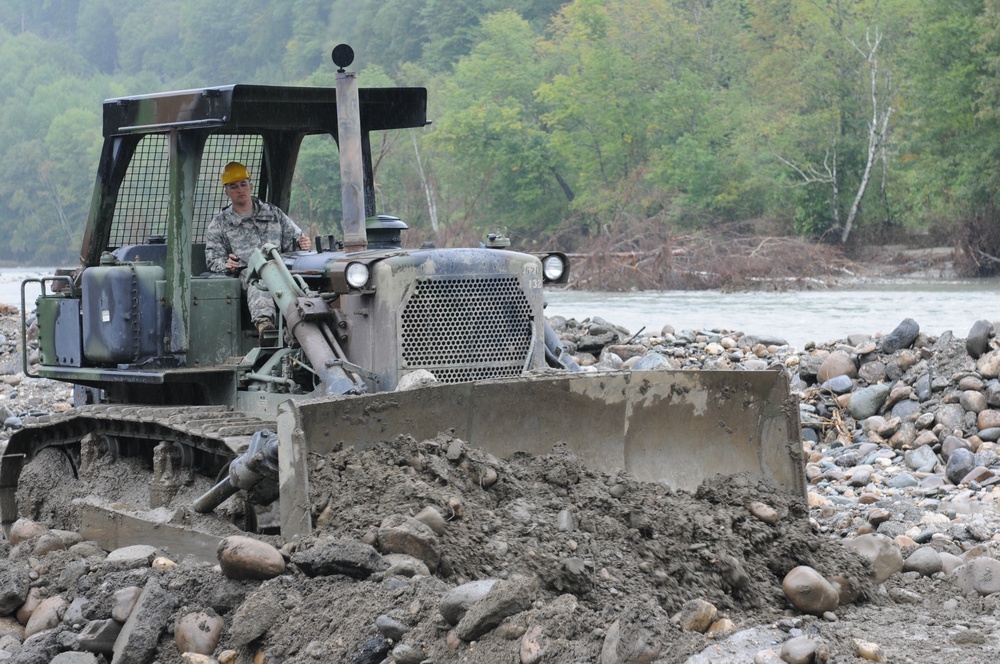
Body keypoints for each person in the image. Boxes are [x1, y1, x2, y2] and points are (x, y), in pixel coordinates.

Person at [205, 161, 312, 337]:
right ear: (226, 191)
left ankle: (309, 321)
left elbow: (295, 239)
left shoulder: (273, 213)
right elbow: (212, 259)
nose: (240, 190)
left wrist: (303, 244)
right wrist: (226, 264)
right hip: (249, 274)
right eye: (233, 186)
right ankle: (265, 325)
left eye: (243, 184)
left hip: (282, 269)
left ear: (251, 185)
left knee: (304, 281)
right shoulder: (220, 223)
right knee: (261, 282)